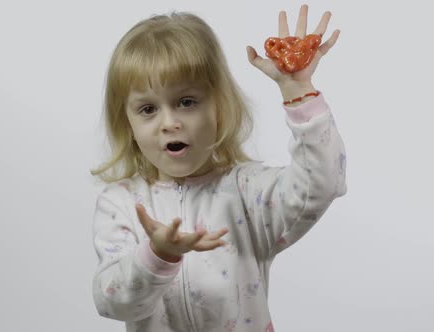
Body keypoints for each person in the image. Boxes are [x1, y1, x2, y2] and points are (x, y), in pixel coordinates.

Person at [90, 4, 347, 331]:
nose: (169, 123)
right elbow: (110, 301)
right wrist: (157, 255)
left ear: (219, 107)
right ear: (126, 123)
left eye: (186, 102)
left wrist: (298, 91)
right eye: (148, 109)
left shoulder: (246, 192)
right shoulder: (122, 204)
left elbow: (321, 184)